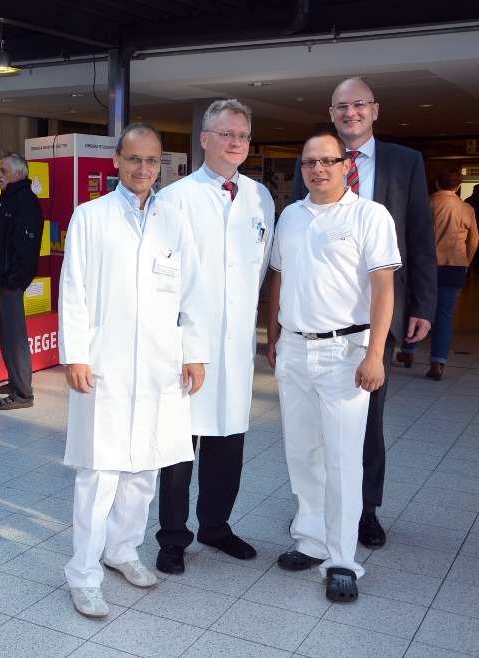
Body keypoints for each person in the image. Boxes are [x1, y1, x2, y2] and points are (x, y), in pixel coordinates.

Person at [59, 123, 210, 617]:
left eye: (151, 161)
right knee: (100, 471)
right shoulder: (90, 216)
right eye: (133, 159)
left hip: (160, 362)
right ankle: (83, 573)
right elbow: (74, 290)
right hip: (105, 361)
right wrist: (75, 354)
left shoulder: (174, 220)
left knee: (144, 467)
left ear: (159, 163)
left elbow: (192, 293)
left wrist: (193, 351)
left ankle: (123, 550)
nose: (142, 169)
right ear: (116, 162)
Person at [289, 77, 437, 548]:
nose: (350, 113)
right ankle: (319, 515)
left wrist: (423, 305)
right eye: (341, 107)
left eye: (358, 105)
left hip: (379, 312)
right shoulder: (313, 164)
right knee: (313, 427)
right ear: (331, 114)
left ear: (375, 110)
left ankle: (364, 509)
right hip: (320, 317)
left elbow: (419, 236)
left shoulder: (405, 162)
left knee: (368, 416)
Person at [267, 133, 400, 603]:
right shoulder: (291, 216)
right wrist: (275, 336)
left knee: (343, 458)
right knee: (302, 452)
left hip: (347, 353)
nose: (317, 169)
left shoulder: (369, 215)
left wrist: (376, 353)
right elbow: (278, 277)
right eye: (309, 163)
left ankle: (341, 559)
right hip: (296, 350)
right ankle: (311, 539)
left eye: (327, 161)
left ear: (346, 164)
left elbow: (384, 288)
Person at [153, 99, 275, 574]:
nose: (235, 143)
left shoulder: (260, 197)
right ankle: (173, 537)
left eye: (243, 135)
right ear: (204, 139)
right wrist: (183, 341)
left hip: (237, 345)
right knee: (181, 449)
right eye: (226, 134)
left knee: (229, 443)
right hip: (187, 344)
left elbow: (259, 269)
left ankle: (216, 527)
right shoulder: (176, 197)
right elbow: (164, 277)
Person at [398, 168, 478, 380]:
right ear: (459, 186)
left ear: (436, 182)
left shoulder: (427, 202)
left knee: (416, 307)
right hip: (454, 266)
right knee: (444, 314)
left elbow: (411, 234)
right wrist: (465, 262)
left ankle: (408, 352)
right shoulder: (467, 208)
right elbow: (474, 240)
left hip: (424, 266)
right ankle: (438, 363)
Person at [0, 152, 44, 410]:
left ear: (19, 173)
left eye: (3, 170)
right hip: (0, 279)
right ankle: (15, 381)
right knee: (6, 334)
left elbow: (27, 247)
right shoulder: (10, 197)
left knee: (15, 336)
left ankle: (23, 394)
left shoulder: (25, 200)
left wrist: (13, 279)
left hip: (9, 282)